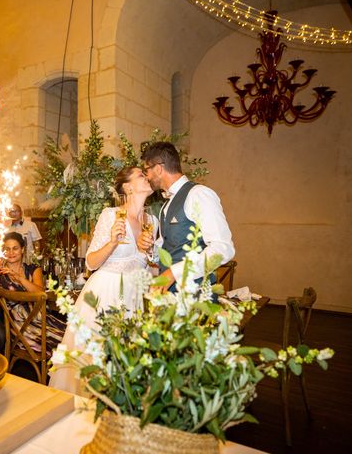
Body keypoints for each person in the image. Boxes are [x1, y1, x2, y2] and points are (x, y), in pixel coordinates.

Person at [49, 166, 156, 394]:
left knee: (127, 365)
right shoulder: (111, 215)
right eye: (140, 175)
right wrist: (112, 243)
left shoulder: (153, 222)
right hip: (104, 296)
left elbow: (154, 266)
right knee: (95, 365)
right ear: (127, 187)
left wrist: (151, 250)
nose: (147, 177)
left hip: (135, 298)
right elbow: (90, 263)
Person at [138, 141, 235, 291]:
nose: (147, 177)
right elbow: (169, 249)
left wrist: (173, 273)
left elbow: (223, 249)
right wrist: (151, 248)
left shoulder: (199, 194)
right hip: (171, 298)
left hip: (194, 296)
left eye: (146, 171)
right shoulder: (166, 205)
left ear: (158, 169)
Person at [0, 232, 66, 357]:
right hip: (17, 324)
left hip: (39, 316)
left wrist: (19, 278)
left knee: (69, 337)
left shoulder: (33, 269)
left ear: (22, 249)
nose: (11, 253)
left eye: (15, 248)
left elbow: (41, 294)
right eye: (7, 249)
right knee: (57, 344)